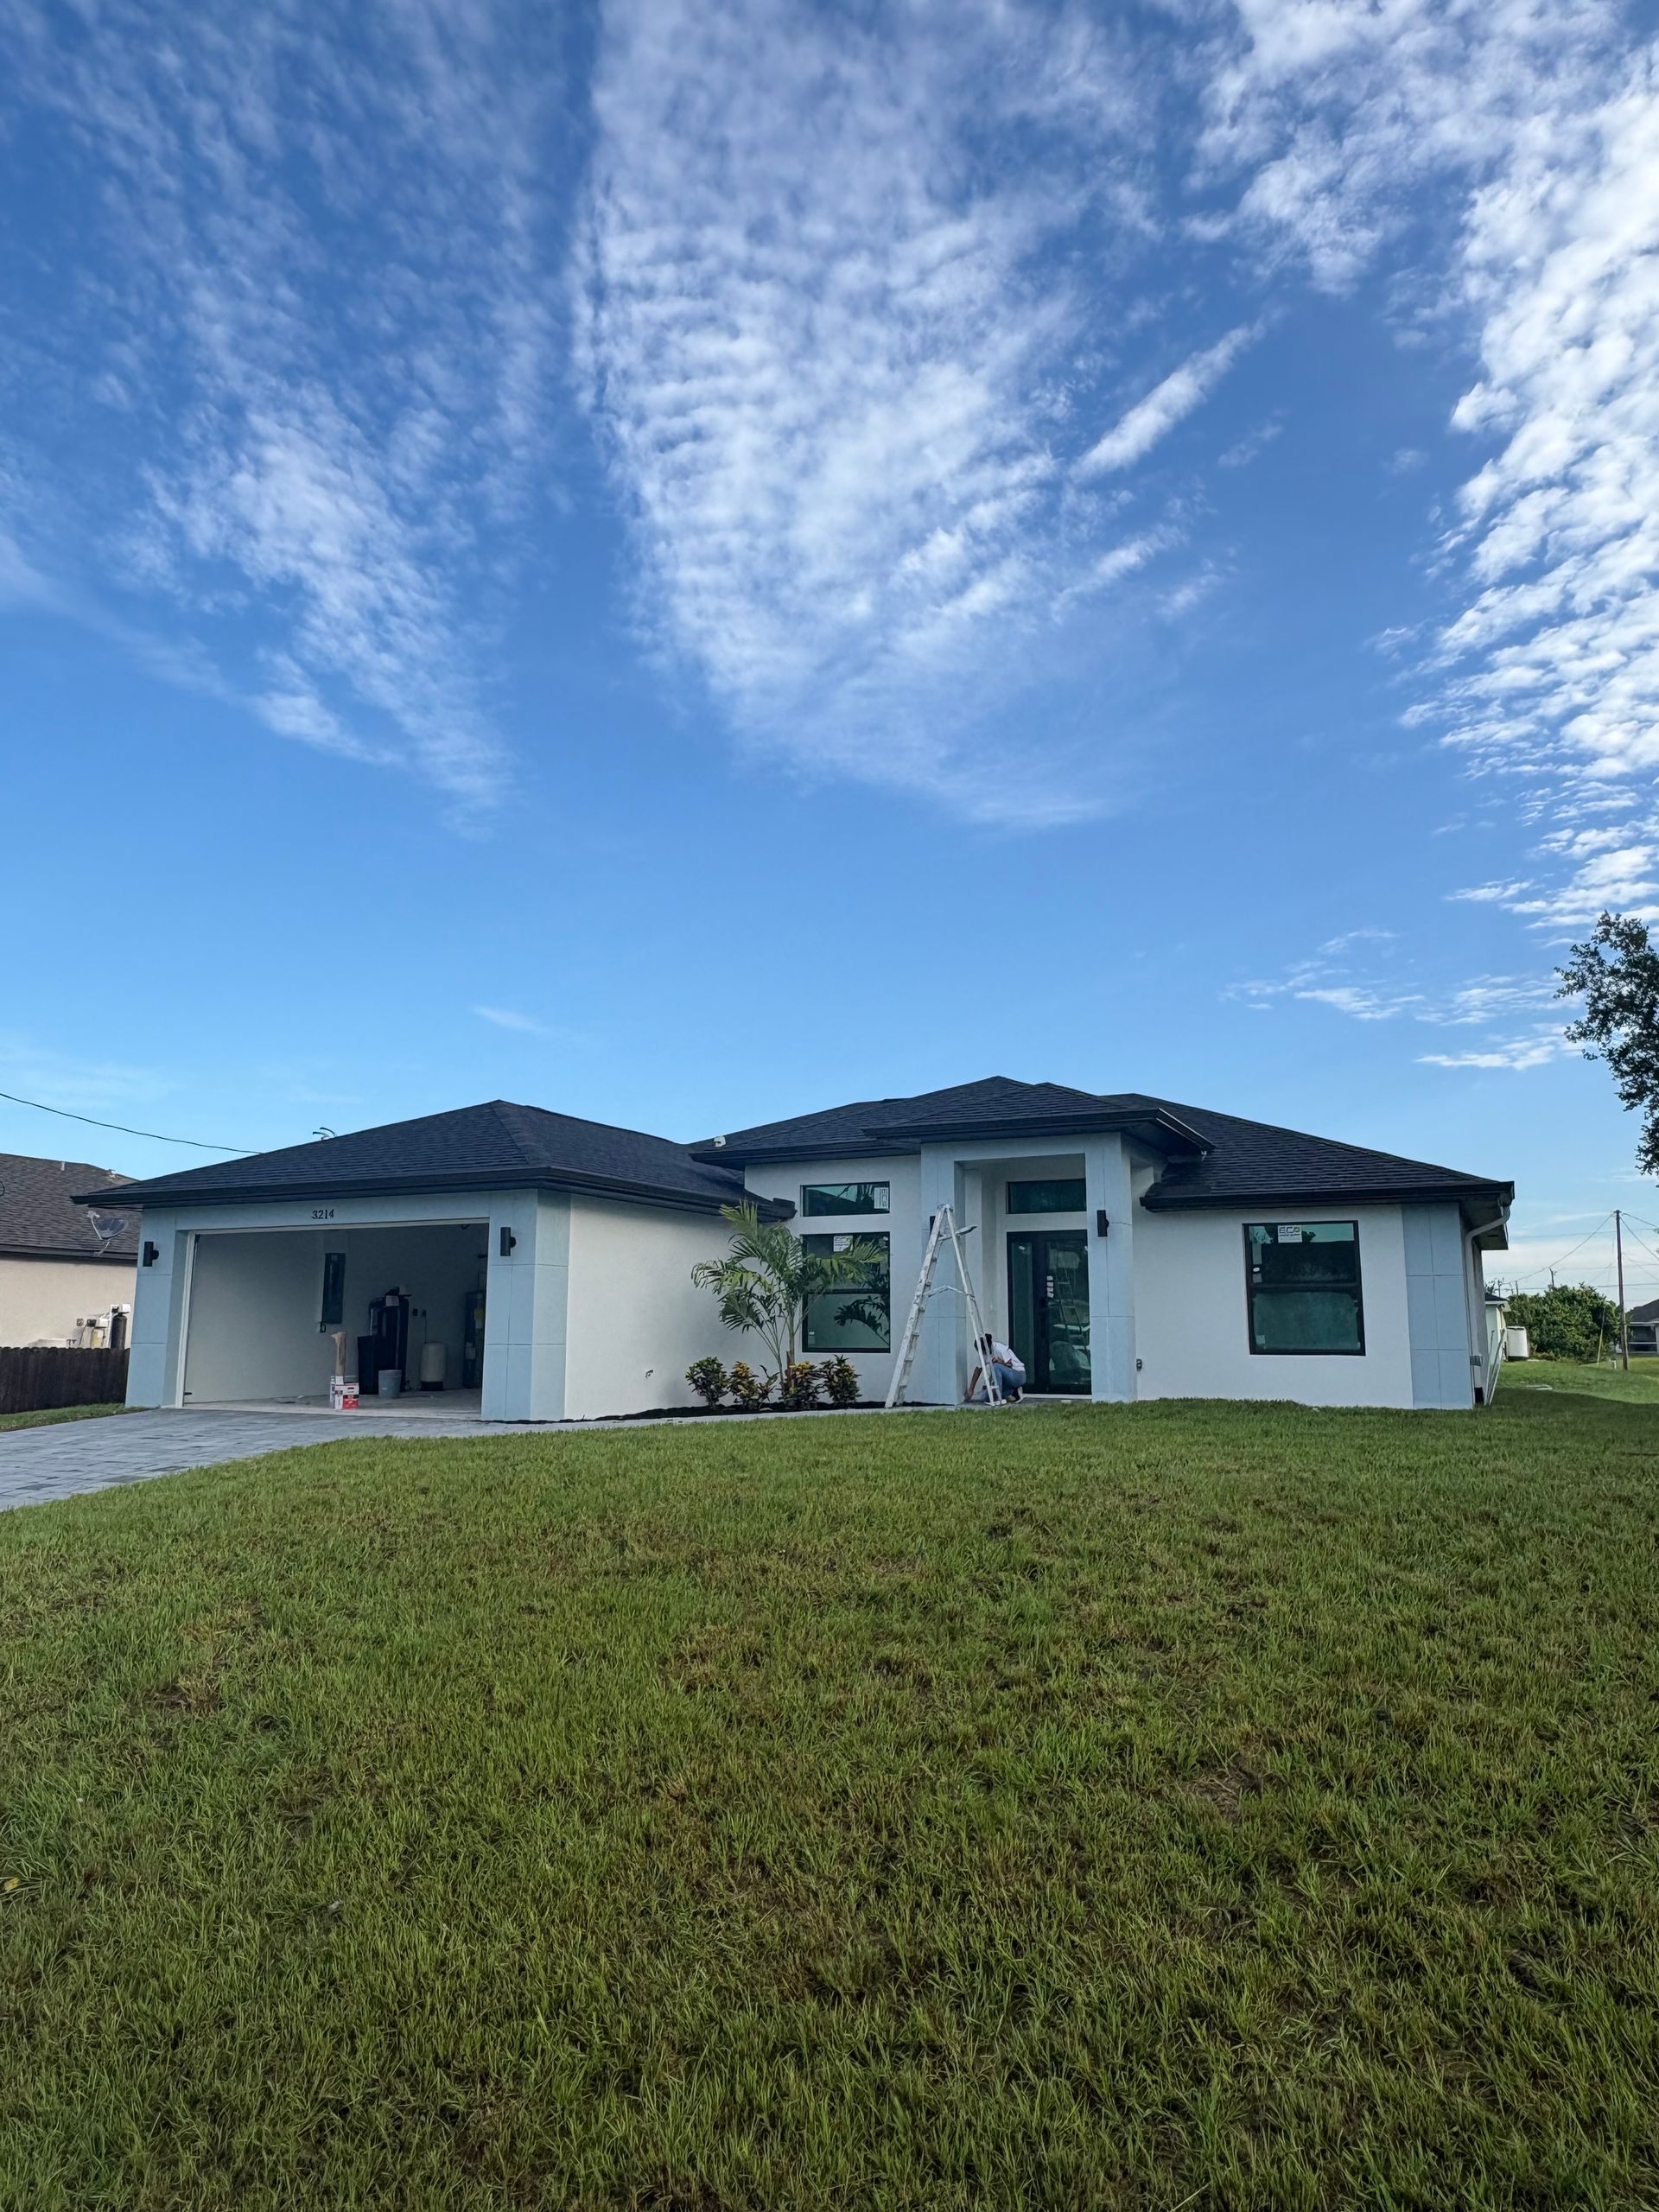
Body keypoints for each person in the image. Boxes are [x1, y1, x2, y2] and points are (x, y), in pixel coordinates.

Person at [967, 1332, 1026, 1402]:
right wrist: (971, 1389)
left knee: (996, 1366)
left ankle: (999, 1398)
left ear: (988, 1347)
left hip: (1018, 1375)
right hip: (1006, 1381)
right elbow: (978, 1370)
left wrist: (1000, 1361)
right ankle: (1014, 1392)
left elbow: (1010, 1365)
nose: (982, 1353)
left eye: (983, 1351)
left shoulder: (1000, 1348)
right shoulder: (983, 1354)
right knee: (986, 1397)